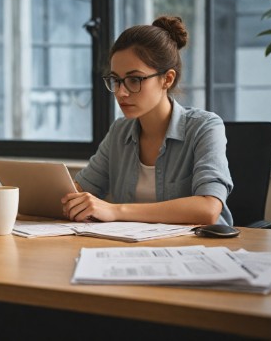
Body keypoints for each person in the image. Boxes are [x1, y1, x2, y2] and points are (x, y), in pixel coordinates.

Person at [61, 16, 233, 226]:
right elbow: (80, 191)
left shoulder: (205, 127)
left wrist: (116, 210)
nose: (121, 92)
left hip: (199, 250)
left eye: (134, 80)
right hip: (133, 251)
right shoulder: (119, 131)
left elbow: (208, 209)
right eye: (116, 80)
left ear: (167, 79)